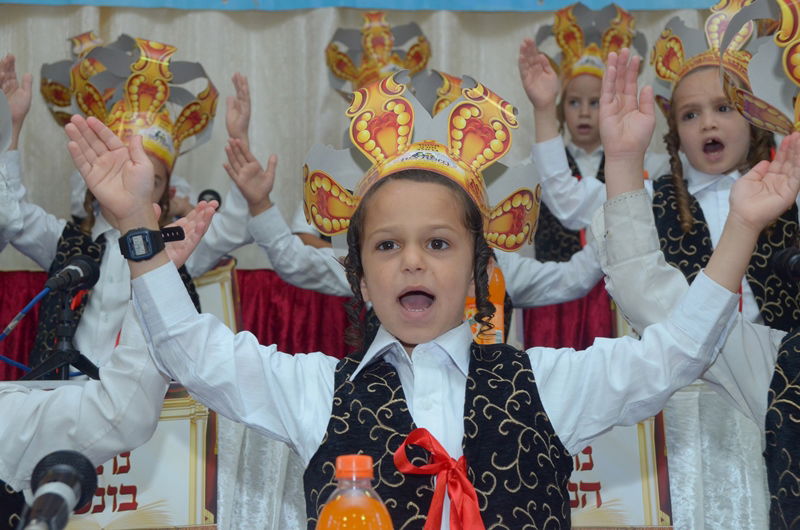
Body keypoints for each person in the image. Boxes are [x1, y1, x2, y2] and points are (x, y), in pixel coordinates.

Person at [67, 49, 799, 528]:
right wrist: (135, 225)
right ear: (358, 274)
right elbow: (192, 352)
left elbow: (674, 353)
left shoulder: (545, 384)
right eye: (387, 246)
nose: (412, 262)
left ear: (482, 268)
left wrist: (738, 228)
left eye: (439, 244)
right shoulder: (317, 392)